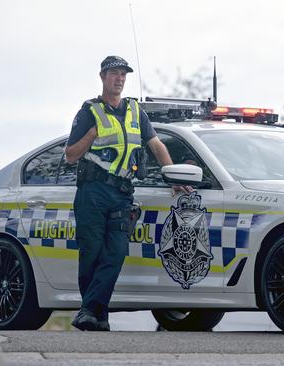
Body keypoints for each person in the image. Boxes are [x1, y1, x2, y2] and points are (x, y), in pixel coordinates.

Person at [65, 55, 190, 331]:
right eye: (114, 73)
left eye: (123, 74)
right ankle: (97, 315)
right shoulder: (89, 111)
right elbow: (71, 156)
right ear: (102, 77)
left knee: (116, 253)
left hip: (122, 193)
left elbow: (156, 145)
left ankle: (90, 310)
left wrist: (172, 175)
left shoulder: (136, 111)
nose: (119, 78)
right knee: (92, 254)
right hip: (93, 192)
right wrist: (91, 135)